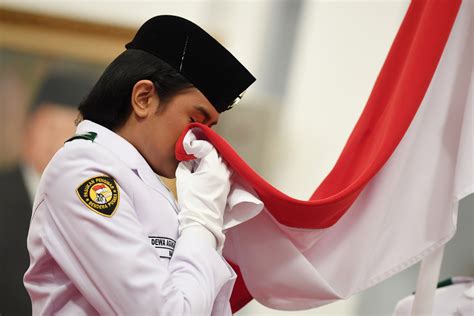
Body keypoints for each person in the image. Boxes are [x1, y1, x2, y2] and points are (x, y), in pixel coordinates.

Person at [23, 15, 255, 315]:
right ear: (144, 98)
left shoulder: (144, 182)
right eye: (195, 121)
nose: (198, 142)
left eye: (210, 130)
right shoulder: (84, 171)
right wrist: (201, 224)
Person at [0, 71, 94, 316]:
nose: (58, 143)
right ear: (28, 127)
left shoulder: (88, 207)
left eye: (70, 133)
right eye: (51, 128)